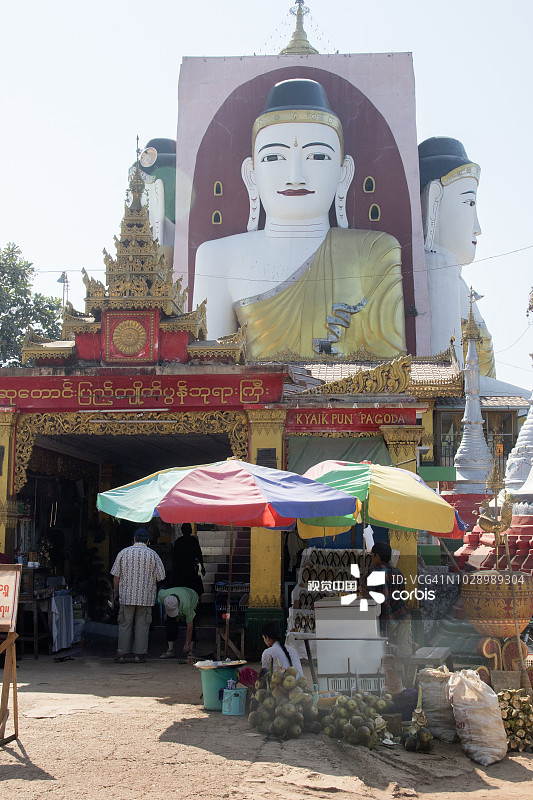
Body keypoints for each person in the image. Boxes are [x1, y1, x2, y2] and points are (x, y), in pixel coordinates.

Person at [193, 78, 406, 360]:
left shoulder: (375, 251)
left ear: (344, 174)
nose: (295, 177)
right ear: (251, 175)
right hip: (254, 401)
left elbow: (393, 369)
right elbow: (208, 369)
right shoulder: (217, 257)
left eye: (317, 155)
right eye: (273, 158)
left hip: (349, 402)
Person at [419, 136, 495, 376]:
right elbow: (446, 377)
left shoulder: (459, 286)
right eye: (469, 203)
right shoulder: (436, 270)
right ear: (433, 200)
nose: (477, 227)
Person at [110, 528, 165, 663]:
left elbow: (116, 576)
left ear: (133, 539)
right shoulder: (153, 555)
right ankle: (138, 655)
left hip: (126, 596)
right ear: (148, 541)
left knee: (125, 624)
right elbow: (161, 577)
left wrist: (116, 592)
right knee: (142, 625)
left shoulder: (123, 553)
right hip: (145, 597)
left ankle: (122, 654)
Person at [369, 541, 413, 659]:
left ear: (377, 556)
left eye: (372, 555)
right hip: (403, 614)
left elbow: (372, 597)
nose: (372, 558)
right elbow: (402, 595)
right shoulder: (398, 572)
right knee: (405, 651)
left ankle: (386, 673)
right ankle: (408, 675)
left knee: (382, 647)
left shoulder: (373, 571)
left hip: (388, 618)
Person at [158, 585, 199, 659]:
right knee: (169, 621)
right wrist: (167, 611)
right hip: (177, 594)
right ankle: (170, 650)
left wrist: (187, 643)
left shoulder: (186, 605)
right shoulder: (162, 595)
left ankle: (191, 650)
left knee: (192, 623)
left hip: (192, 596)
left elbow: (190, 627)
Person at [172, 523, 205, 599]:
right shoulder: (188, 541)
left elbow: (199, 554)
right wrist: (202, 566)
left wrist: (202, 566)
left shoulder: (180, 541)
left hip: (185, 569)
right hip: (185, 569)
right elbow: (199, 554)